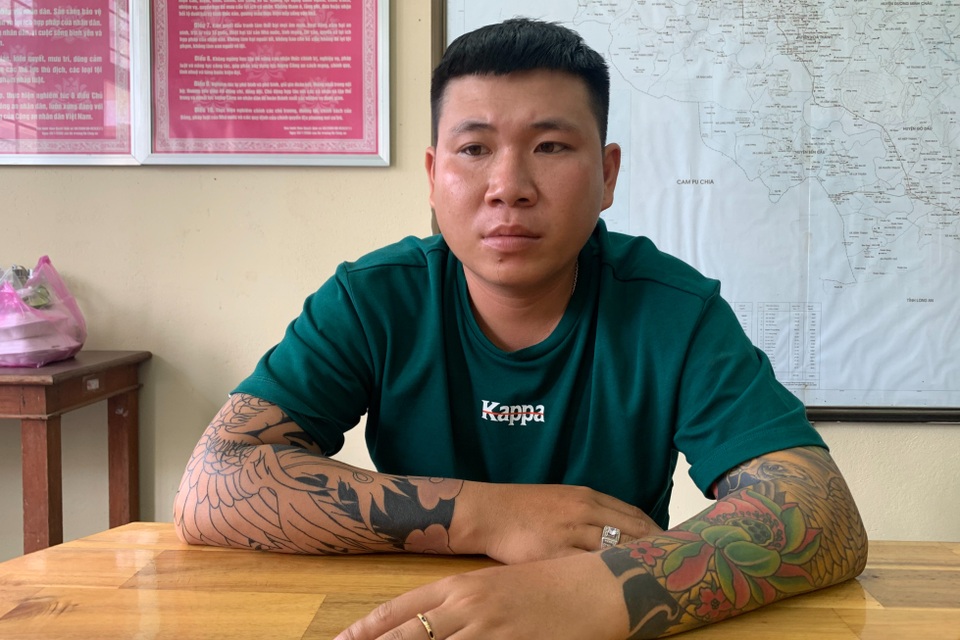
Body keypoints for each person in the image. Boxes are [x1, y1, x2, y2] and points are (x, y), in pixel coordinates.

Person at [174, 18, 867, 640]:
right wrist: (492, 516)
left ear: (607, 175)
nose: (509, 185)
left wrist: (593, 593)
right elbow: (213, 484)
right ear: (433, 175)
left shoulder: (674, 310)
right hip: (417, 615)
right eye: (474, 148)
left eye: (551, 146)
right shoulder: (373, 299)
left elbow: (822, 512)